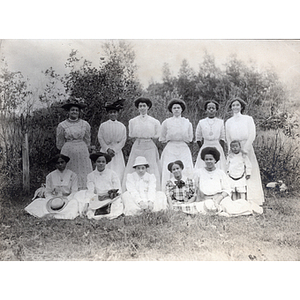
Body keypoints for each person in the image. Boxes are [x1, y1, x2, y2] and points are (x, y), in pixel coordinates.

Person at [193, 147, 263, 217]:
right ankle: (220, 211)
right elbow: (195, 188)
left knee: (230, 209)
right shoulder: (199, 172)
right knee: (205, 209)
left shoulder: (220, 173)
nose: (208, 161)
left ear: (215, 160)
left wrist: (218, 200)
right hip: (205, 199)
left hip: (220, 198)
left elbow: (227, 189)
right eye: (206, 159)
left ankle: (249, 206)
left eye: (211, 159)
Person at [225, 97, 264, 205]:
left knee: (249, 169)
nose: (235, 107)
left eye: (237, 105)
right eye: (233, 105)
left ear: (241, 107)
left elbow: (252, 134)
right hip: (234, 148)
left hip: (246, 147)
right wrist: (230, 150)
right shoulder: (228, 122)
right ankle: (236, 198)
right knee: (235, 169)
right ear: (231, 108)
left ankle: (252, 198)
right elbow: (228, 138)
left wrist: (245, 149)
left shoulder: (248, 119)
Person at [24, 154, 82, 219]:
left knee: (74, 203)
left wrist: (67, 199)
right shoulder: (50, 176)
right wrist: (51, 200)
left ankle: (61, 214)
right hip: (54, 200)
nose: (60, 164)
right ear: (55, 164)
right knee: (38, 202)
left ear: (66, 163)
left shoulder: (73, 175)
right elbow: (48, 192)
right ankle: (52, 211)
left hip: (67, 199)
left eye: (62, 162)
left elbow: (74, 191)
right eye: (58, 163)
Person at [122, 97, 161, 191]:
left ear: (148, 107)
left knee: (151, 166)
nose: (142, 108)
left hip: (149, 145)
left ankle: (152, 189)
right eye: (140, 106)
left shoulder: (154, 121)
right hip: (138, 145)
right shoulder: (132, 121)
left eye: (144, 106)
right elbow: (131, 134)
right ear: (138, 108)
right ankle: (133, 189)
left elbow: (157, 134)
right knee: (135, 164)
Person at [56, 97, 93, 190]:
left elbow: (87, 140)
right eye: (72, 110)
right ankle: (68, 189)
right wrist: (68, 148)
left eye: (77, 110)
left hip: (82, 152)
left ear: (79, 112)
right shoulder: (62, 125)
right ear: (68, 111)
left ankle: (83, 190)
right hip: (68, 151)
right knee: (69, 170)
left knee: (83, 171)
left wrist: (84, 148)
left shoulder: (85, 124)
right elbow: (59, 143)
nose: (74, 112)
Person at [160, 99, 194, 190]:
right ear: (171, 110)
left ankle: (186, 190)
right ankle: (168, 191)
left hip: (183, 148)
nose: (176, 110)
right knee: (169, 170)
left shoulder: (187, 122)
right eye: (174, 108)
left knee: (185, 168)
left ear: (181, 109)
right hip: (170, 148)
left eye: (178, 108)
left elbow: (190, 137)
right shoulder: (166, 122)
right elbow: (162, 138)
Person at [84, 152, 124, 220]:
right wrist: (88, 202)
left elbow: (118, 189)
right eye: (99, 161)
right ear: (95, 163)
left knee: (115, 207)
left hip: (111, 198)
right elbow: (90, 190)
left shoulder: (112, 173)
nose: (101, 163)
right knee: (92, 210)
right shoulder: (91, 175)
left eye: (103, 161)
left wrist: (111, 195)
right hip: (98, 197)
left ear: (106, 163)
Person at [98, 99, 126, 181]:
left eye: (115, 112)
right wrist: (107, 149)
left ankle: (117, 188)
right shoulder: (103, 126)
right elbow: (100, 138)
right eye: (111, 112)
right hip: (105, 151)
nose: (113, 114)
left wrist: (115, 150)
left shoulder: (122, 126)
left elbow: (123, 140)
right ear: (108, 114)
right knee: (106, 169)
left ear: (117, 113)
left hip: (117, 152)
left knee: (118, 171)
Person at [195, 100, 226, 171]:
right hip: (205, 146)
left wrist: (221, 150)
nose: (211, 110)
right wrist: (202, 148)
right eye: (209, 108)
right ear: (206, 110)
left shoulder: (220, 122)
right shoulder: (201, 122)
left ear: (216, 110)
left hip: (217, 146)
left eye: (213, 108)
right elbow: (198, 138)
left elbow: (222, 138)